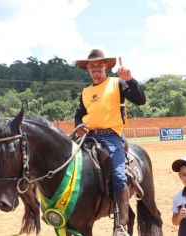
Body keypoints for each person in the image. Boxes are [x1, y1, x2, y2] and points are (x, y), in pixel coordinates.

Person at [74, 49, 146, 235]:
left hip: (111, 137)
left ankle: (121, 224)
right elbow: (79, 115)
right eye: (92, 66)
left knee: (118, 176)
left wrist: (130, 80)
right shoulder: (85, 92)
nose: (95, 69)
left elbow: (140, 100)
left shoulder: (118, 83)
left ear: (106, 66)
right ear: (87, 69)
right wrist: (79, 126)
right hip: (88, 137)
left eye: (99, 65)